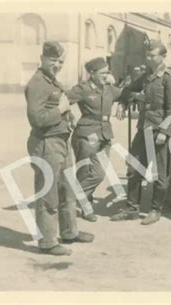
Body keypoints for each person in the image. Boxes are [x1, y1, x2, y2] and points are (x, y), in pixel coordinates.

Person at [25, 41, 94, 256]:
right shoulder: (37, 83)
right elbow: (36, 119)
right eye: (53, 60)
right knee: (49, 193)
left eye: (61, 61)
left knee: (67, 189)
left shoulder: (52, 81)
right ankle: (47, 242)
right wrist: (62, 109)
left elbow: (58, 106)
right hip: (46, 143)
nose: (57, 65)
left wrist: (70, 117)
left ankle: (69, 232)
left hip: (61, 141)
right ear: (43, 58)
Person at [111, 39, 171, 225]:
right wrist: (123, 103)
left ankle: (155, 210)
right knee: (133, 168)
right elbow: (127, 90)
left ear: (163, 57)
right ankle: (132, 208)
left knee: (159, 173)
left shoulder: (169, 78)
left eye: (152, 55)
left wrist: (165, 132)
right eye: (147, 55)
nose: (149, 58)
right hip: (143, 129)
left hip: (158, 131)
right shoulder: (146, 76)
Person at [66, 57, 122, 222]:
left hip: (104, 135)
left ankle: (70, 199)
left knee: (98, 173)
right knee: (84, 172)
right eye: (102, 73)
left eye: (107, 72)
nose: (106, 75)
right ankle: (85, 207)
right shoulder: (83, 89)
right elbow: (62, 100)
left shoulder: (109, 89)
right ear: (92, 73)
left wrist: (122, 104)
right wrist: (68, 115)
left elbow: (126, 94)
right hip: (86, 134)